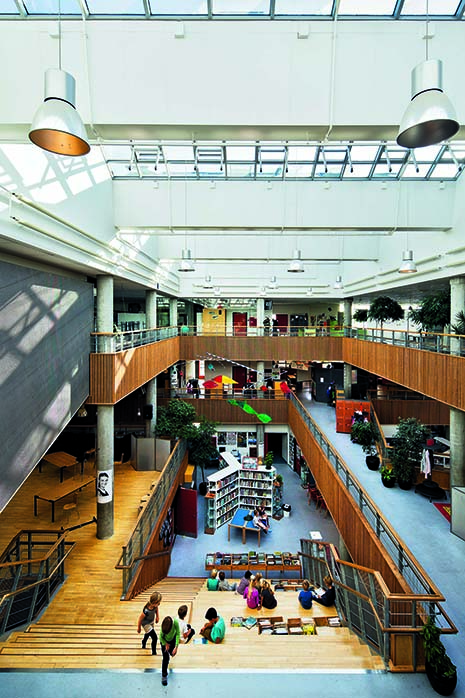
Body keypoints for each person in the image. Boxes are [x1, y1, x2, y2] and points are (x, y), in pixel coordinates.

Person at [159, 615, 180, 686]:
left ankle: (170, 653)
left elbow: (178, 634)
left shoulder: (175, 622)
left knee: (172, 653)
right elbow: (160, 638)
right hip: (164, 641)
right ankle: (164, 675)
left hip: (172, 640)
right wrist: (165, 643)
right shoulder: (163, 629)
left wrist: (176, 647)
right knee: (166, 658)